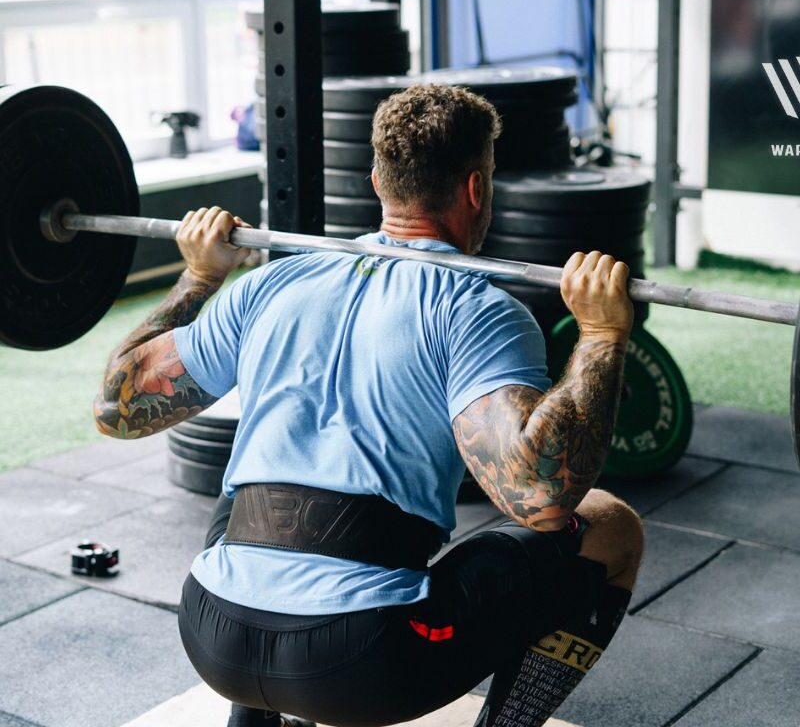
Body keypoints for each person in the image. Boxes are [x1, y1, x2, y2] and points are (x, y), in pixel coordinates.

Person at [95, 84, 643, 727]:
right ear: (476, 188)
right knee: (610, 527)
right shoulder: (480, 311)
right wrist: (602, 337)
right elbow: (542, 498)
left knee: (266, 475)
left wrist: (199, 277)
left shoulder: (272, 282)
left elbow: (116, 405)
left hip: (212, 630)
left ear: (377, 180)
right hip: (366, 664)